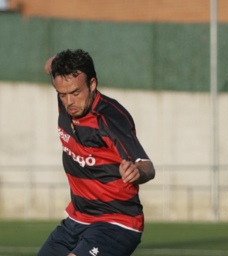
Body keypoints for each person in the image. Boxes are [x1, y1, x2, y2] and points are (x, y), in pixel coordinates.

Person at [38, 49, 155, 256]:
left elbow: (147, 166)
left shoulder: (110, 118)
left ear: (92, 84)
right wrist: (62, 61)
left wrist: (137, 171)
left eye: (76, 93)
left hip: (117, 221)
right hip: (78, 219)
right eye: (62, 95)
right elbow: (49, 66)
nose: (69, 102)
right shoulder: (67, 100)